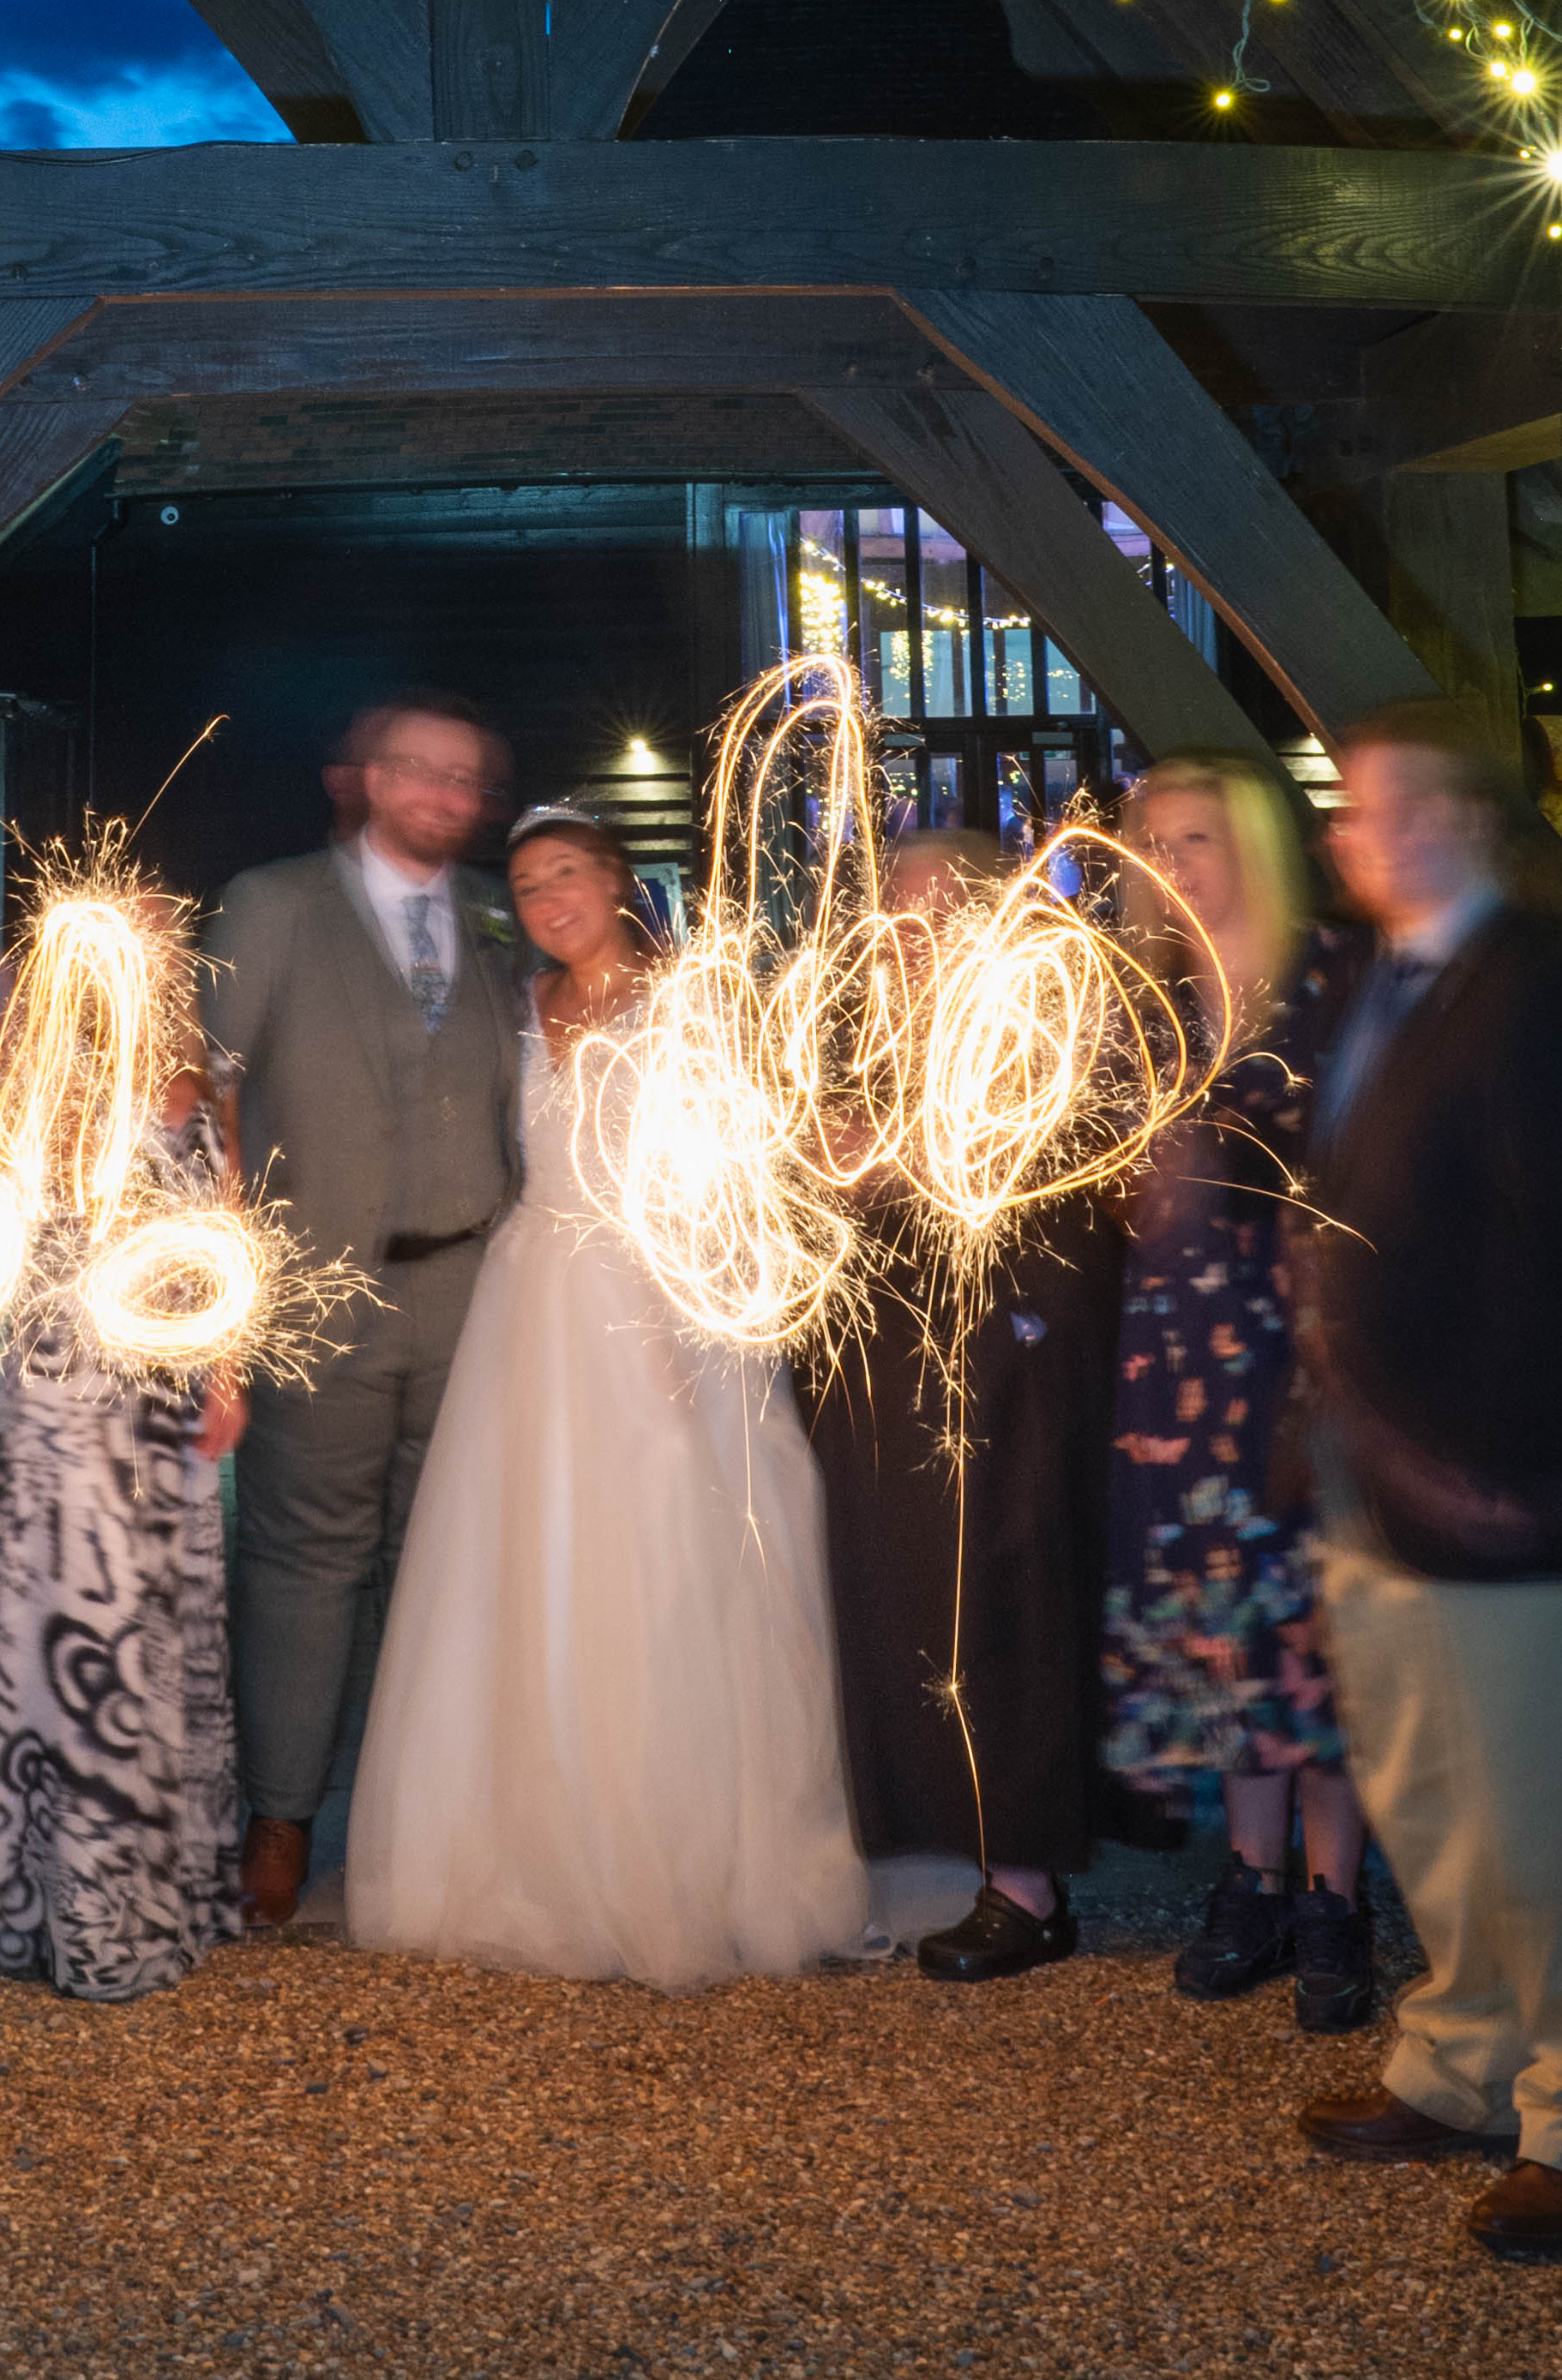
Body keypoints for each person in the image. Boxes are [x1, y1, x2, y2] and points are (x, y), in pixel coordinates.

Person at [345, 805, 868, 1984]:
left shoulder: (689, 997)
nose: (547, 898)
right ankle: (532, 1840)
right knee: (525, 1565)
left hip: (656, 1295)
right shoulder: (518, 1005)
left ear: (614, 878)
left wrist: (699, 1313)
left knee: (666, 1559)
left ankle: (683, 1855)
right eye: (526, 883)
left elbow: (735, 1156)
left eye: (567, 873)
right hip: (534, 1300)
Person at [1291, 701, 1562, 2261]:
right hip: (1382, 1468)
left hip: (1518, 1482)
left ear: (1453, 817)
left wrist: (1501, 1457)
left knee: (1555, 1809)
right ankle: (1462, 2061)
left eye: (1372, 808)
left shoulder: (1544, 992)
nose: (1344, 836)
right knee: (1432, 1787)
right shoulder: (1392, 980)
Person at [201, 697, 526, 1938]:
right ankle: (279, 1814)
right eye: (423, 773)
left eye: (466, 778)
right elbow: (208, 1098)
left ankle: (425, 1819)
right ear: (366, 779)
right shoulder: (272, 902)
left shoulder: (500, 915)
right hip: (317, 1287)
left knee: (443, 1558)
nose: (446, 796)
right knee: (300, 1560)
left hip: (473, 1290)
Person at [797, 828, 1121, 1982]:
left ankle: (1027, 1882)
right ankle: (957, 1838)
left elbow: (1057, 1183)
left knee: (1005, 1607)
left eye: (930, 911)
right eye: (894, 912)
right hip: (894, 1359)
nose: (906, 933)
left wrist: (907, 1162)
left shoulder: (1038, 1019)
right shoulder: (876, 1029)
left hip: (1010, 1359)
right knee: (920, 1609)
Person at [1102, 753, 1374, 2029]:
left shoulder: (1331, 978)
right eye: (1154, 843)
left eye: (1197, 837)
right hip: (1175, 1341)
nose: (1176, 865)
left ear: (1250, 842)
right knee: (1219, 1612)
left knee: (1310, 1616)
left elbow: (1365, 1157)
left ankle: (1335, 1894)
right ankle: (1250, 1876)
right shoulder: (1147, 999)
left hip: (1296, 1337)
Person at [0, 972, 248, 1999]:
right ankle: (85, 1921)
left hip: (166, 1410)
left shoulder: (206, 1091)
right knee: (79, 1648)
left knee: (159, 1642)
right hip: (71, 1406)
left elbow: (230, 1235)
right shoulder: (56, 1085)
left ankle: (170, 1894)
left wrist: (228, 1372)